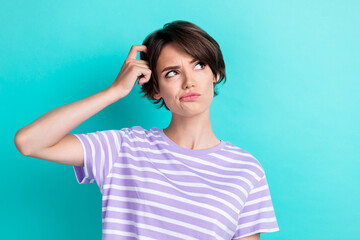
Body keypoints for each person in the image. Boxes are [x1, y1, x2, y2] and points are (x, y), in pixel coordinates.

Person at [14, 20, 279, 240]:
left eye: (199, 65)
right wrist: (114, 91)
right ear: (155, 88)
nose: (189, 82)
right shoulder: (124, 148)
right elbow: (29, 142)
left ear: (216, 74)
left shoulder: (246, 170)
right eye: (172, 73)